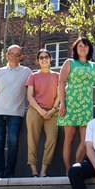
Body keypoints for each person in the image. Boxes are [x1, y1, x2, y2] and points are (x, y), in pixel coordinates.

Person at [58, 36, 95, 175]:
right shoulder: (69, 63)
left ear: (89, 49)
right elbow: (61, 82)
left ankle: (77, 168)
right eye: (80, 46)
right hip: (70, 104)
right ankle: (67, 170)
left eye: (85, 46)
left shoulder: (94, 66)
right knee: (68, 139)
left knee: (86, 140)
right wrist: (62, 103)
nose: (83, 48)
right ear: (76, 48)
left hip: (85, 106)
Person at [0, 44, 32, 178]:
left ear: (21, 57)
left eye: (17, 54)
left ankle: (9, 173)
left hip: (15, 113)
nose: (14, 57)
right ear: (7, 55)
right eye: (11, 54)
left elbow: (32, 91)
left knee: (13, 142)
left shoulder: (27, 72)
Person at [25, 49, 60, 177]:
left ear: (50, 59)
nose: (44, 59)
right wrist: (40, 110)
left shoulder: (57, 76)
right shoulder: (33, 76)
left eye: (46, 57)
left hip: (52, 112)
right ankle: (34, 171)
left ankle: (43, 171)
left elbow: (59, 95)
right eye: (41, 58)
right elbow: (29, 96)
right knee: (32, 140)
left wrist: (52, 110)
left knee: (52, 140)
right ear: (38, 61)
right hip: (35, 110)